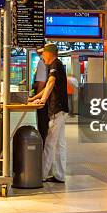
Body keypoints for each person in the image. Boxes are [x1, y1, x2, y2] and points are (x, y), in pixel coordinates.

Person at [28, 43, 68, 183]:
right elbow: (46, 87)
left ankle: (42, 175)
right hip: (60, 111)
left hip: (56, 110)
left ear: (49, 53)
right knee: (60, 144)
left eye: (43, 53)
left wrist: (42, 100)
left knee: (50, 143)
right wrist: (33, 98)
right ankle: (60, 175)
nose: (42, 56)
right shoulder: (55, 65)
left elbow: (50, 83)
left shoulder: (55, 65)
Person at [32, 47, 49, 143]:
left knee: (42, 123)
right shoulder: (46, 62)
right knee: (44, 123)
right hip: (44, 97)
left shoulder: (42, 62)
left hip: (42, 98)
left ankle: (42, 144)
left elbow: (41, 83)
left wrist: (36, 98)